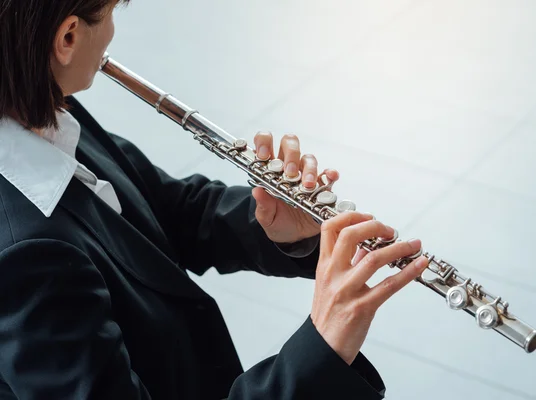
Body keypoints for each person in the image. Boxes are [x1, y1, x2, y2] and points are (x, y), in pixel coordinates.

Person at [0, 1, 430, 399]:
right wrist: (323, 346)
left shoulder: (37, 107)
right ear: (68, 38)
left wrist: (273, 224)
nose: (112, 33)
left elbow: (168, 208)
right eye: (111, 11)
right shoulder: (26, 259)